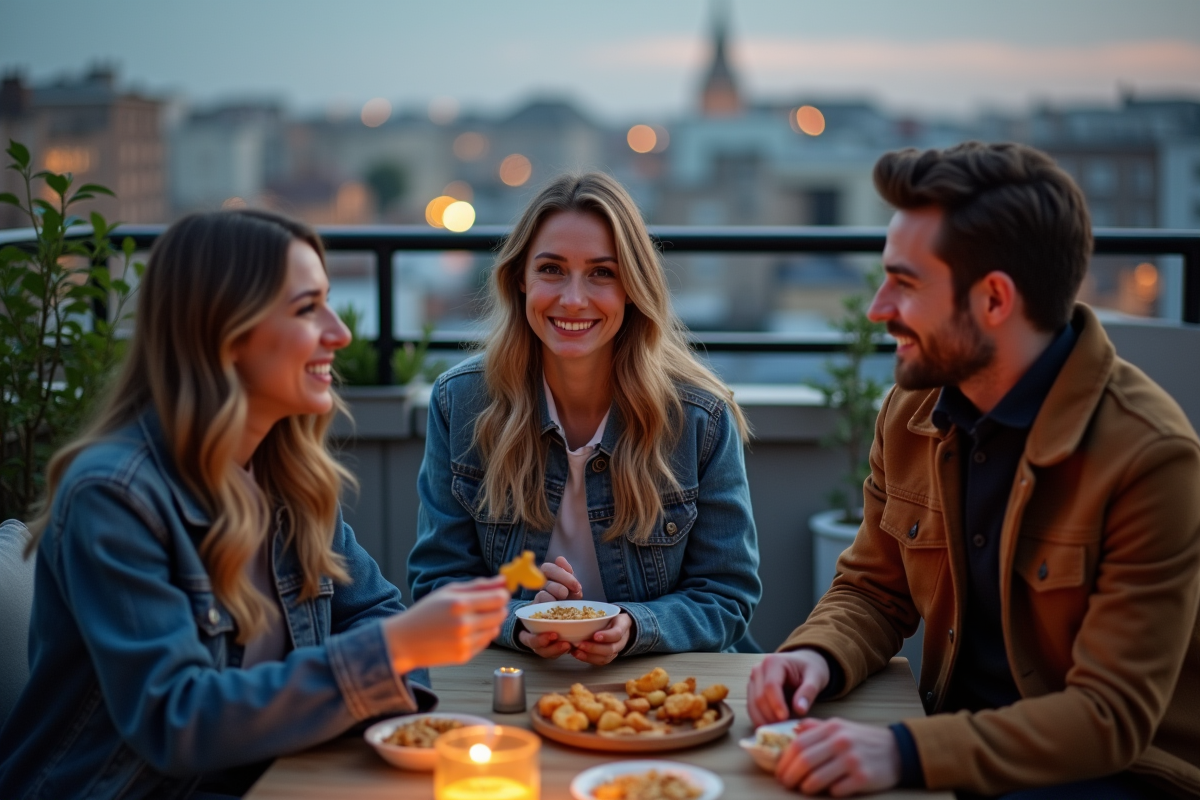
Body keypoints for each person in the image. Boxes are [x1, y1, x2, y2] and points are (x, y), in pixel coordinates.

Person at [0, 210, 512, 800]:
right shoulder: (113, 497)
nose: (340, 333)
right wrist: (395, 649)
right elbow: (178, 722)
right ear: (224, 333)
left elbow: (369, 610)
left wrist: (393, 658)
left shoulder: (284, 477)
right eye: (305, 308)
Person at [747, 142, 1200, 798]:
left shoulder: (1150, 457)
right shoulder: (911, 409)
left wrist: (902, 751)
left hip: (1113, 776)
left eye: (904, 283)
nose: (877, 308)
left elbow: (1109, 718)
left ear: (993, 299)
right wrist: (814, 656)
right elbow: (874, 589)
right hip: (951, 748)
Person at [408, 172, 761, 664]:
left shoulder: (700, 416)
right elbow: (438, 584)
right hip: (515, 679)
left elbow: (727, 596)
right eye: (552, 269)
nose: (574, 299)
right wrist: (519, 622)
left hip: (661, 685)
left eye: (602, 273)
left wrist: (635, 626)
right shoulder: (461, 403)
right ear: (520, 281)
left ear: (633, 288)